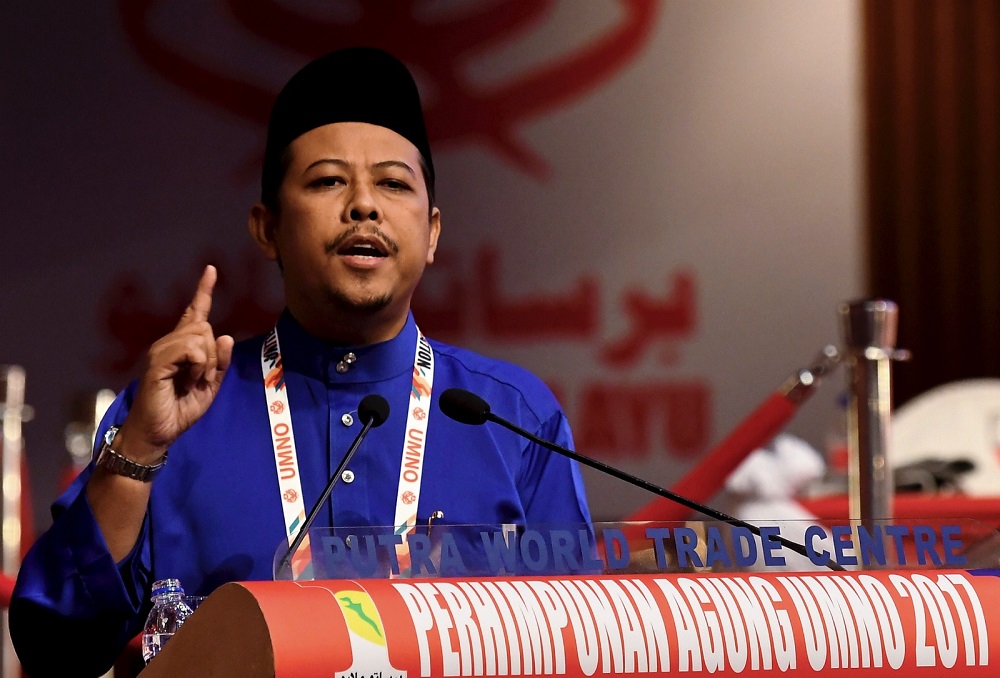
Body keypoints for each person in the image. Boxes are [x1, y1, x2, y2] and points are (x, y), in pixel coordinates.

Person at [10, 47, 592, 676]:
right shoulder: (175, 415)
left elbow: (584, 649)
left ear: (431, 233)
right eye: (327, 181)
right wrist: (139, 451)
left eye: (394, 184)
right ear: (267, 228)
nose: (363, 206)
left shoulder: (513, 420)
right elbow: (53, 648)